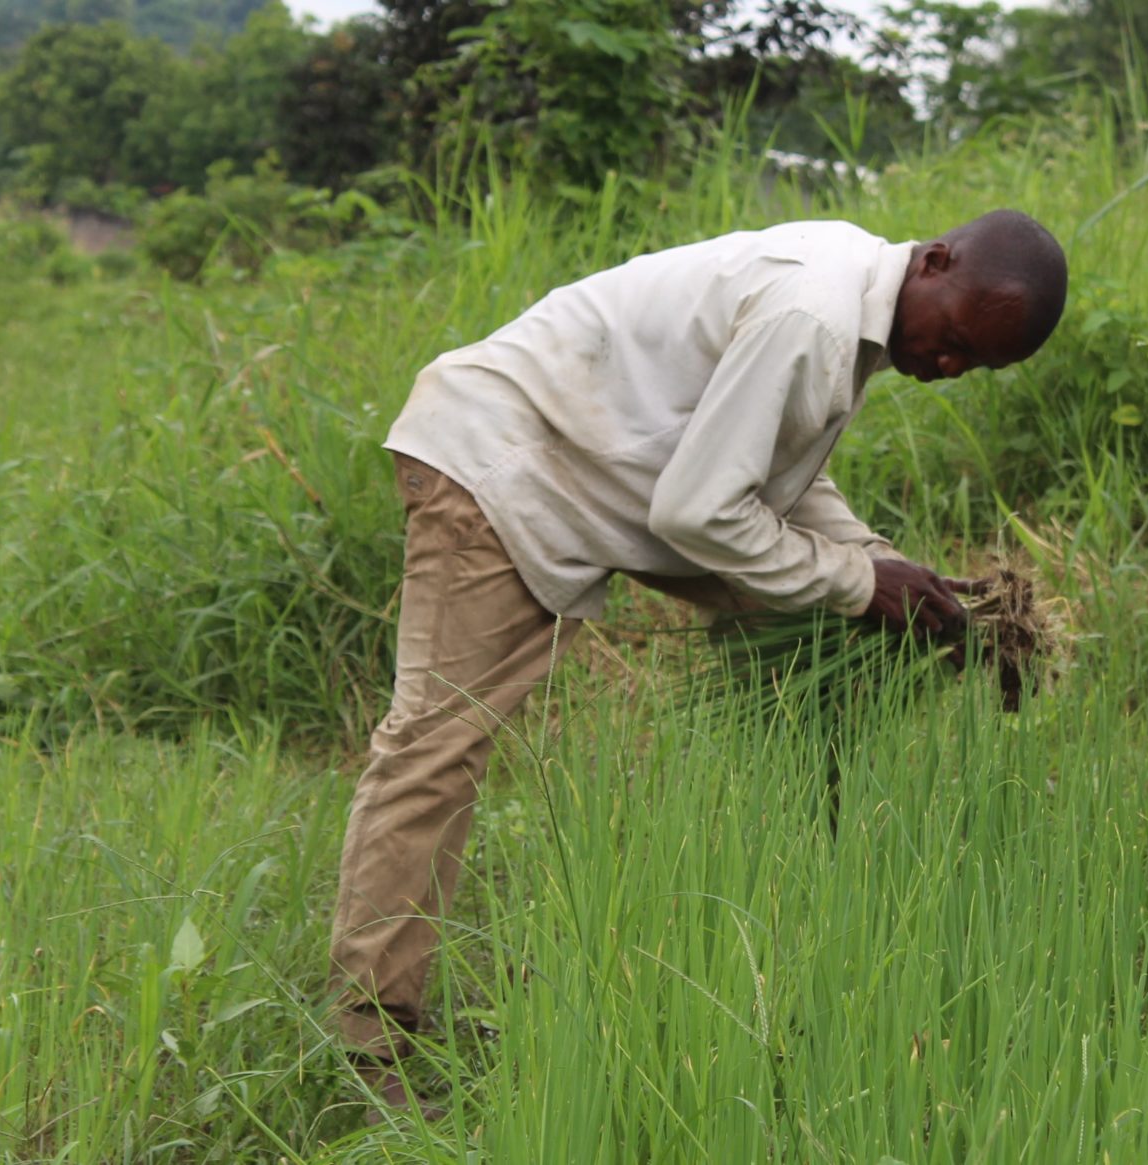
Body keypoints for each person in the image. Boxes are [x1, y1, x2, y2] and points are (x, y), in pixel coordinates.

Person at [329, 211, 1070, 1118]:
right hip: (504, 460)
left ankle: (779, 934)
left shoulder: (851, 304)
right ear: (937, 261)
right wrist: (855, 581)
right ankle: (374, 1051)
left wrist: (884, 568)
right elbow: (700, 513)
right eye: (954, 339)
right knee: (434, 752)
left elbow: (766, 473)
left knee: (830, 624)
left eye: (974, 367)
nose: (949, 367)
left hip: (603, 470)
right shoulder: (816, 315)